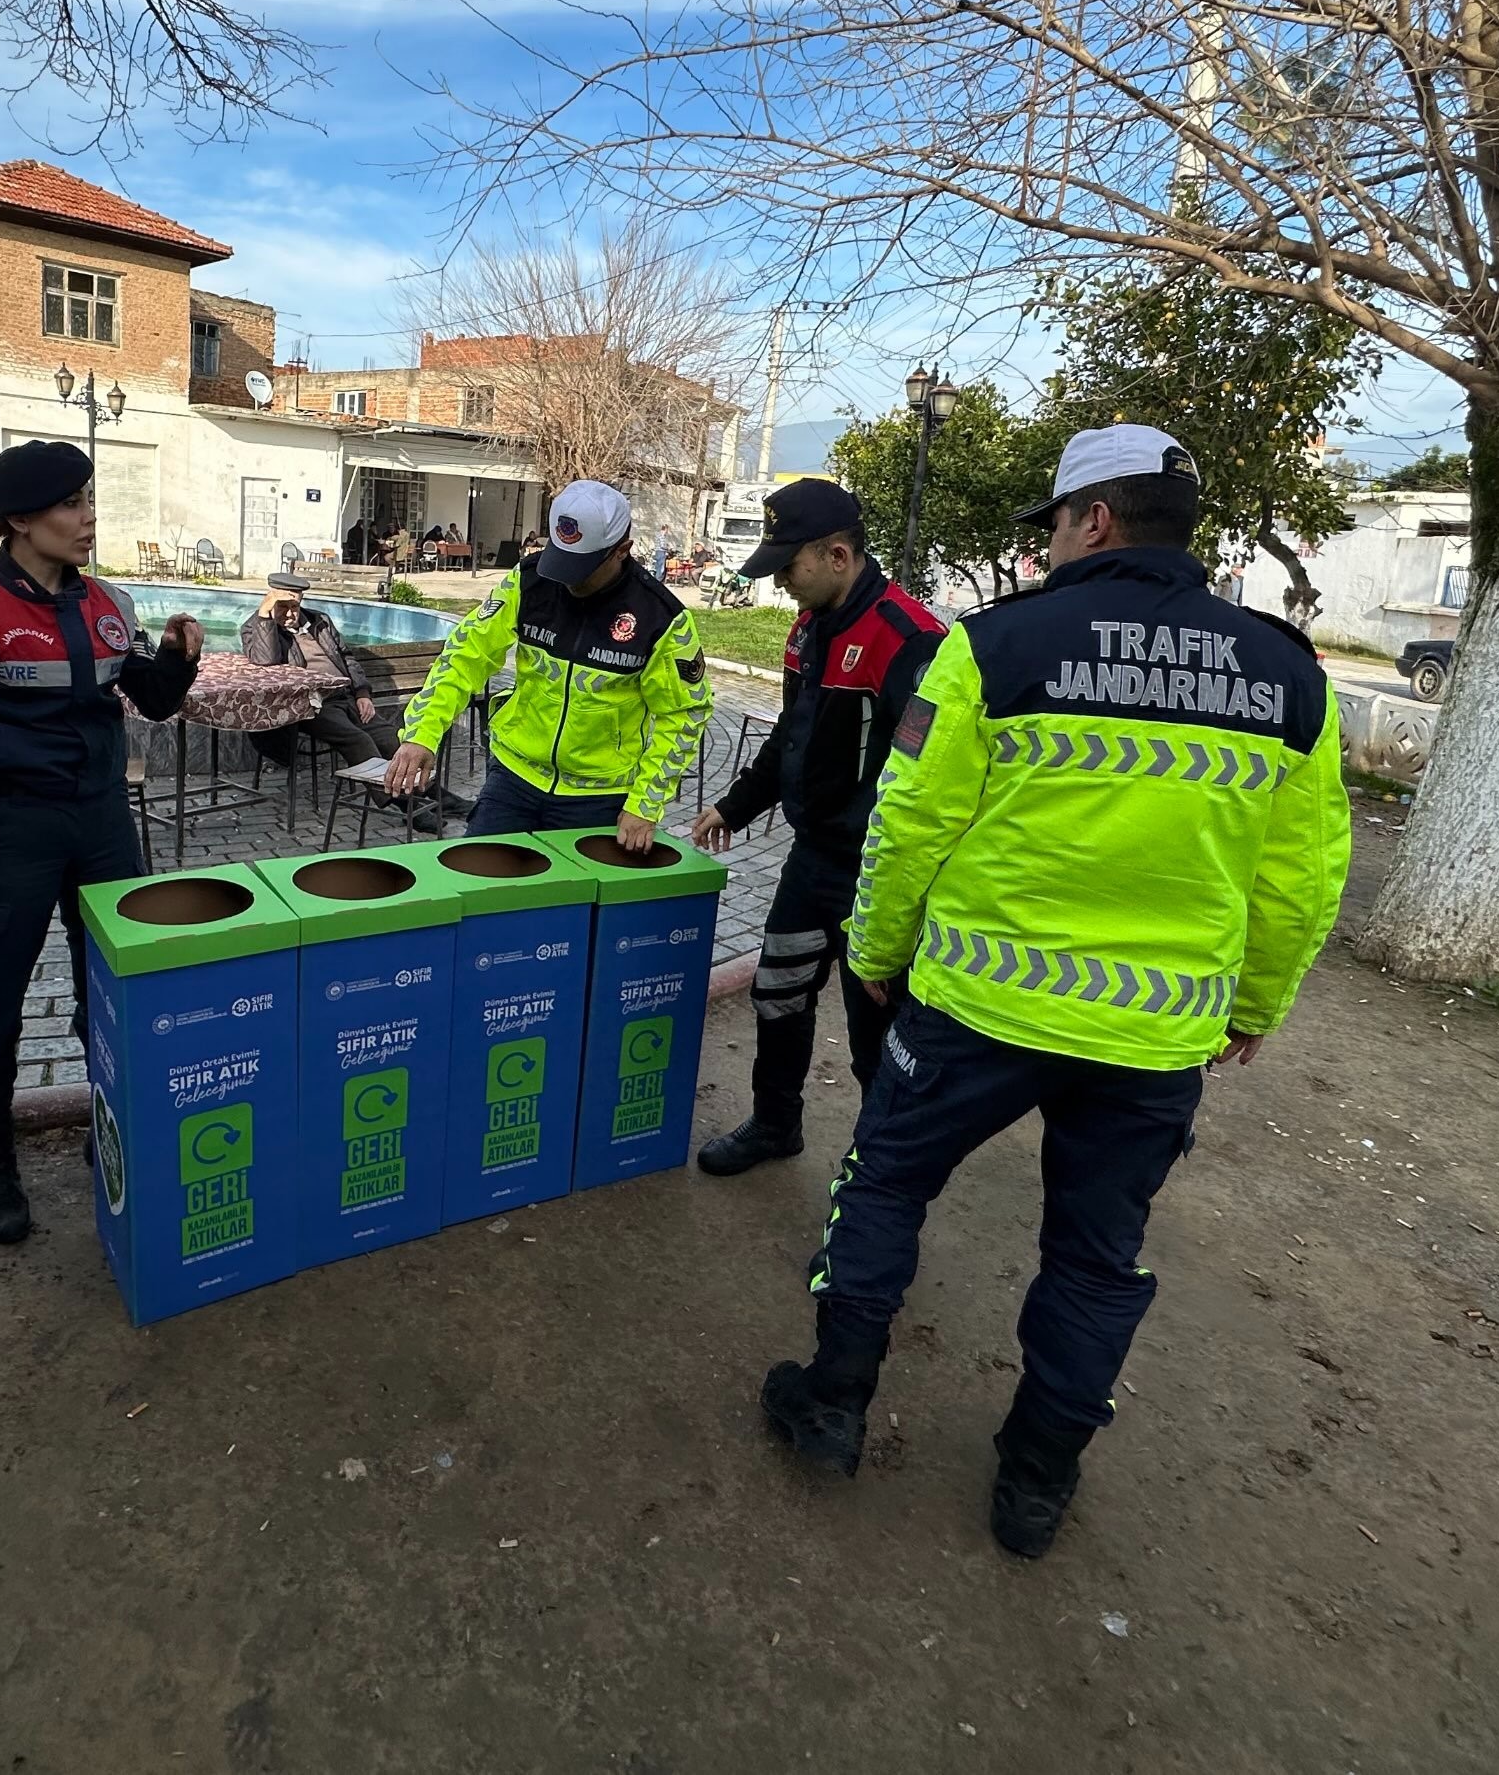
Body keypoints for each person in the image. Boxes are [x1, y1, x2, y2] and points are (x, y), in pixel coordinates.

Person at [759, 425, 1349, 1558]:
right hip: (1157, 1034)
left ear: (1095, 519)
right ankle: (1036, 1477)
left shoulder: (996, 646)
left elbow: (911, 823)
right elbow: (1303, 874)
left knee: (883, 1183)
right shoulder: (1288, 674)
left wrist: (878, 950)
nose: (1051, 549)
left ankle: (832, 1399)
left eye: (1057, 527)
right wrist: (1255, 1003)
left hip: (980, 1005)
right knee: (1096, 1255)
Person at [0, 440, 203, 1247]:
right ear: (19, 519)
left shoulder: (109, 604)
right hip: (9, 832)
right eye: (70, 505)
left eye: (89, 501)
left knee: (115, 994)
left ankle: (111, 1126)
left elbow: (149, 702)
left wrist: (177, 660)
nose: (88, 519)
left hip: (102, 826)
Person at [688, 480, 942, 1175]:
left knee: (876, 1034)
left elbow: (931, 783)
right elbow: (787, 741)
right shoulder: (807, 631)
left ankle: (876, 1176)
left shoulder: (911, 642)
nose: (779, 582)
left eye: (785, 566)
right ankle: (775, 1124)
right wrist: (732, 806)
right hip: (812, 862)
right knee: (780, 992)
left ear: (836, 554)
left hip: (878, 877)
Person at [385, 478, 711, 846]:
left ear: (622, 550)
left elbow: (685, 712)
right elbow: (465, 656)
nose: (567, 579)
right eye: (561, 558)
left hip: (597, 797)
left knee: (567, 903)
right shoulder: (529, 580)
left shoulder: (661, 617)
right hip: (513, 777)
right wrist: (422, 735)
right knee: (476, 888)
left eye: (582, 567)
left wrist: (645, 804)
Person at [242, 572, 451, 834]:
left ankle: (437, 796)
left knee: (392, 738)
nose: (290, 614)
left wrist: (363, 693)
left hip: (347, 697)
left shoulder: (319, 621)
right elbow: (266, 662)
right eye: (283, 607)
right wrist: (265, 617)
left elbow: (347, 658)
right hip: (312, 705)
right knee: (358, 741)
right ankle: (408, 807)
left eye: (295, 606)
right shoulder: (255, 627)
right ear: (270, 602)